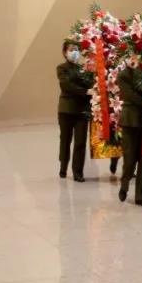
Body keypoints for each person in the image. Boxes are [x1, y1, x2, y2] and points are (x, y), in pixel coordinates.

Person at [117, 54, 142, 207]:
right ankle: (124, 184)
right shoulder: (123, 75)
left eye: (136, 56)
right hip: (130, 120)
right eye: (130, 56)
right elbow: (129, 96)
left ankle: (141, 196)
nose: (133, 60)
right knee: (129, 158)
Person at [56, 40, 91, 181]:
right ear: (65, 52)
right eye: (71, 50)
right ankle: (63, 166)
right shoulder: (61, 68)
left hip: (82, 111)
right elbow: (66, 85)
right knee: (65, 140)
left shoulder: (84, 68)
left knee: (80, 142)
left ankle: (78, 172)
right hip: (66, 110)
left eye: (76, 49)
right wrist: (84, 91)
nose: (74, 52)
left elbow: (90, 83)